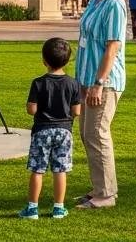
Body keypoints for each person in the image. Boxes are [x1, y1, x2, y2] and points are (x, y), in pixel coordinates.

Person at [75, 0, 127, 209]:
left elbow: (112, 47)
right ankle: (99, 188)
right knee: (88, 134)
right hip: (86, 79)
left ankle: (106, 194)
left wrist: (98, 83)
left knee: (97, 133)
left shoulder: (115, 4)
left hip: (103, 83)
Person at [19, 38, 83, 220]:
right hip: (64, 131)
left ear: (44, 60)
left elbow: (32, 109)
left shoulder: (38, 83)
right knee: (60, 170)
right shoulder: (73, 84)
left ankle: (32, 208)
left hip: (42, 131)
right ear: (68, 60)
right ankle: (59, 207)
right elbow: (77, 111)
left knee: (37, 170)